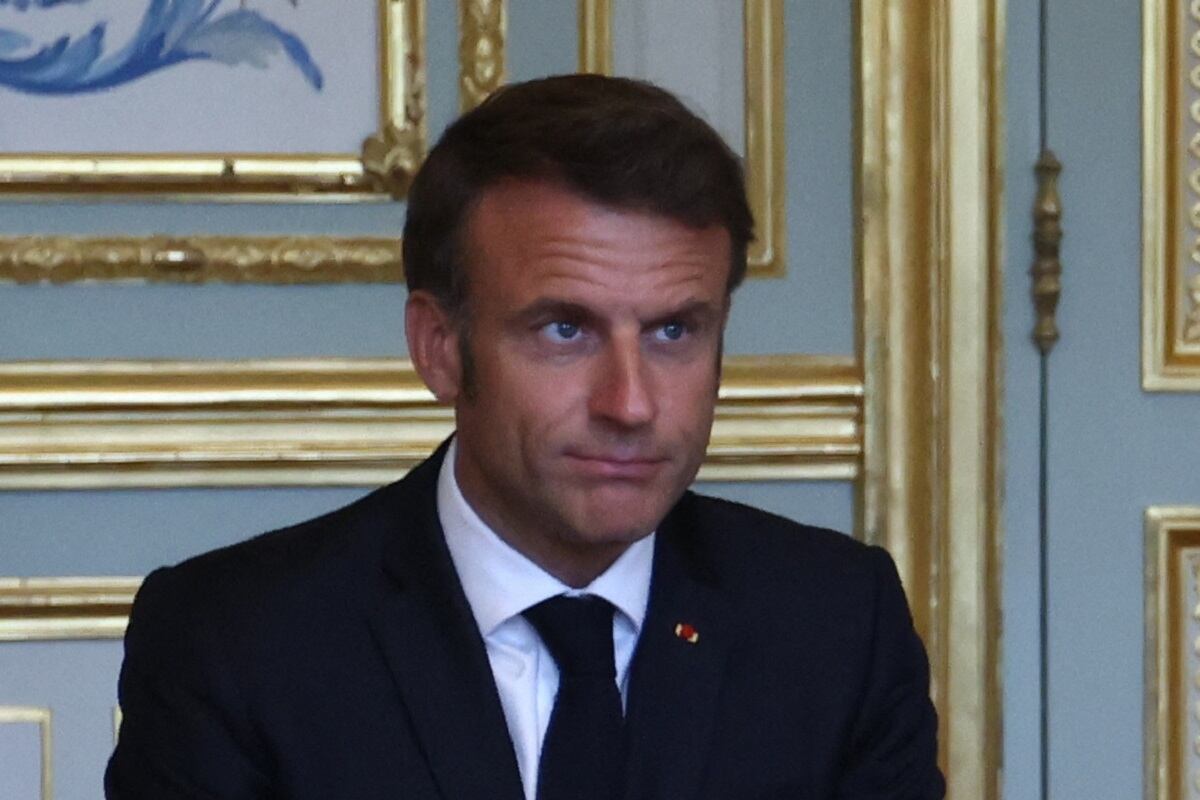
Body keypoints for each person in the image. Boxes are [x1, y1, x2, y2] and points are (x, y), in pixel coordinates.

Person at [106, 74, 944, 800]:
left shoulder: (836, 626)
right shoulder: (235, 643)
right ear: (441, 349)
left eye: (674, 333)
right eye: (565, 331)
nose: (631, 403)